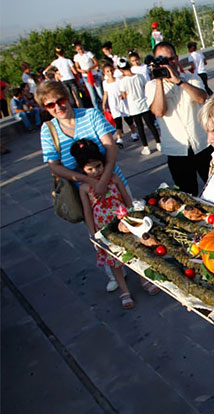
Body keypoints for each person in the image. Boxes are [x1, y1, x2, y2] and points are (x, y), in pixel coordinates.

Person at [36, 80, 129, 291]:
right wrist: (89, 182)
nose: (58, 107)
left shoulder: (90, 115)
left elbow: (110, 147)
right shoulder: (47, 129)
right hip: (86, 192)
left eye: (60, 100)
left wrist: (103, 180)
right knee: (99, 233)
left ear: (67, 97)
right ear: (45, 108)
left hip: (113, 184)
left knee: (128, 224)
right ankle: (115, 273)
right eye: (51, 105)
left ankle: (139, 268)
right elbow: (54, 166)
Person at [71, 139, 135, 308]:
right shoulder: (84, 188)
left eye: (98, 166)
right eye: (90, 169)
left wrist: (134, 214)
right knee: (113, 259)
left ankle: (145, 280)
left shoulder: (113, 179)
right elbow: (87, 212)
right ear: (82, 170)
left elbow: (126, 198)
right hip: (104, 229)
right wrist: (93, 234)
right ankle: (124, 290)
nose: (96, 172)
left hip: (123, 223)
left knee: (135, 251)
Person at [145, 41, 211, 196]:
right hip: (177, 151)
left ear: (177, 58)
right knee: (188, 196)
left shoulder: (192, 78)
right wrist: (159, 79)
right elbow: (159, 111)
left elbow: (202, 98)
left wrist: (179, 82)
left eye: (171, 59)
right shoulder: (151, 87)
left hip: (202, 144)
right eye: (162, 61)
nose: (168, 64)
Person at [116, 58, 161, 155]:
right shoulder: (140, 76)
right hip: (144, 104)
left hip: (134, 107)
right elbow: (145, 87)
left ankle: (146, 147)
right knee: (151, 125)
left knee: (140, 128)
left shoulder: (123, 81)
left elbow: (124, 95)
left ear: (120, 69)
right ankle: (158, 143)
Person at [102, 62, 136, 147]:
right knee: (117, 120)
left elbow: (124, 89)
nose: (110, 73)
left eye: (111, 71)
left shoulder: (119, 80)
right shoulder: (105, 83)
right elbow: (105, 93)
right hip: (113, 103)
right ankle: (119, 138)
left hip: (121, 101)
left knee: (127, 118)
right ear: (104, 73)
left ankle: (133, 132)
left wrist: (123, 95)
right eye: (107, 71)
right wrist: (104, 103)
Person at [73, 41, 104, 110]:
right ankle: (97, 109)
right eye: (79, 49)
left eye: (81, 48)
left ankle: (105, 106)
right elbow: (77, 67)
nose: (81, 50)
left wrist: (91, 68)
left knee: (100, 92)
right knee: (92, 94)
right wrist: (82, 71)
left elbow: (96, 62)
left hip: (93, 74)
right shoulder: (76, 57)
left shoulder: (88, 53)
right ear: (76, 50)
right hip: (85, 76)